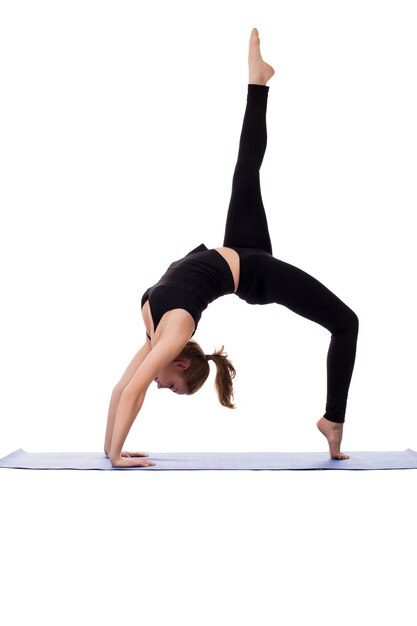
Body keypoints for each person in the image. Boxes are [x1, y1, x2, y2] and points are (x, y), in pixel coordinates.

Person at [104, 28, 359, 468]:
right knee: (347, 323)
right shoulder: (171, 331)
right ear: (182, 364)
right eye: (175, 388)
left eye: (170, 389)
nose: (163, 387)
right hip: (255, 275)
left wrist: (111, 452)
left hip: (240, 252)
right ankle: (333, 421)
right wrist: (112, 453)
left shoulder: (163, 332)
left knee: (246, 170)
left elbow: (125, 390)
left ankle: (257, 81)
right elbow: (130, 390)